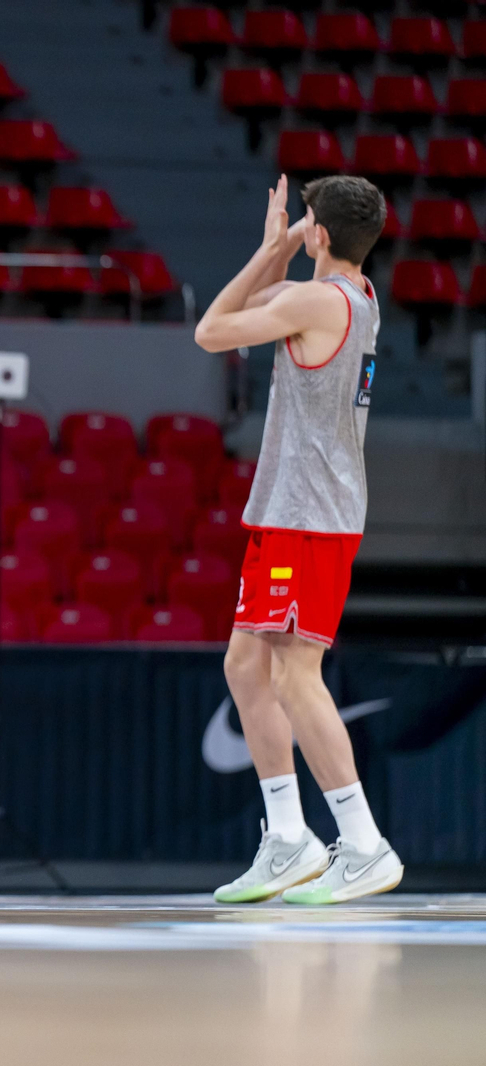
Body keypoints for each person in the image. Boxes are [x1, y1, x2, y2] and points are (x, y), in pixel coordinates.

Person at [195, 174, 401, 904]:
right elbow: (256, 310)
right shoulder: (352, 297)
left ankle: (365, 843)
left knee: (292, 676)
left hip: (310, 515)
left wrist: (268, 248)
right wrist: (283, 254)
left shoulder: (321, 299)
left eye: (306, 224)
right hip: (293, 507)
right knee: (246, 667)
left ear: (317, 234)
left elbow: (213, 328)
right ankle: (288, 836)